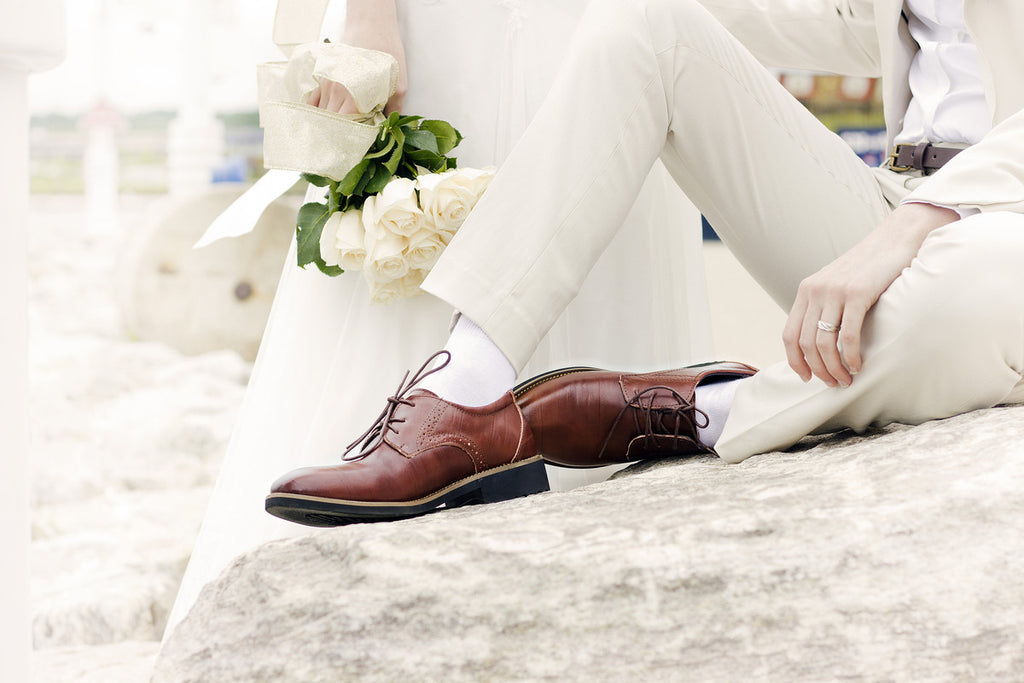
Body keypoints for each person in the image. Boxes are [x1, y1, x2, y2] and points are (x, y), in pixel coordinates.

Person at [266, 0, 1024, 526]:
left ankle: (690, 408)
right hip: (892, 197)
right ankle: (458, 392)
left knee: (968, 296)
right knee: (653, 19)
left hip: (998, 220)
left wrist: (912, 229)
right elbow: (849, 24)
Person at [164, 0, 711, 638]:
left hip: (610, 23)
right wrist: (370, 16)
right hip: (449, 25)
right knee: (412, 263)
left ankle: (603, 627)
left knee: (612, 268)